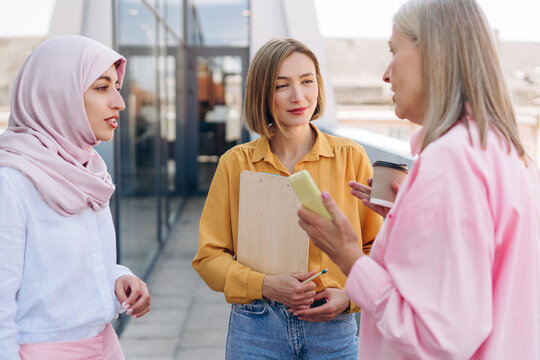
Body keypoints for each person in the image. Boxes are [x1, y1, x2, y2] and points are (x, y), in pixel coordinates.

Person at [297, 0, 540, 359]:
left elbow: (435, 337)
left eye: (394, 51)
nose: (385, 74)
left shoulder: (450, 162)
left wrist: (349, 256)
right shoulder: (510, 152)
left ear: (434, 53)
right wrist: (402, 222)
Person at [192, 38, 382, 359]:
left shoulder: (352, 158)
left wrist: (351, 297)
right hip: (256, 327)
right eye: (282, 85)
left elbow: (376, 250)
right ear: (263, 94)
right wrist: (264, 285)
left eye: (307, 81)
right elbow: (209, 259)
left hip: (332, 328)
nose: (298, 96)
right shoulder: (235, 164)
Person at [0, 35, 151, 360]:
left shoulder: (88, 171)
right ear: (59, 95)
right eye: (101, 87)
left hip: (105, 347)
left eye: (116, 87)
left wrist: (119, 276)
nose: (119, 102)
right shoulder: (11, 181)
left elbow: (65, 268)